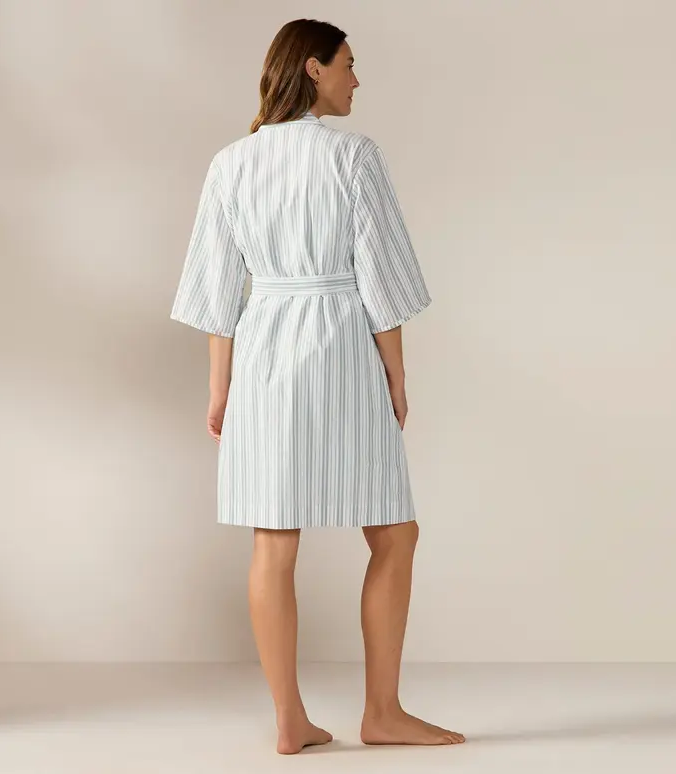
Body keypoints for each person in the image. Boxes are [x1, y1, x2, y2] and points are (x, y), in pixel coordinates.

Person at [170, 18, 464, 755]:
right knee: (393, 532)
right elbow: (381, 281)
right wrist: (397, 375)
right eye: (348, 64)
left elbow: (217, 292)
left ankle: (289, 721)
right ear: (313, 68)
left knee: (274, 541)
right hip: (340, 346)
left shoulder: (230, 164)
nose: (356, 80)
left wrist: (219, 389)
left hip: (263, 352)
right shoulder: (354, 157)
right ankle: (382, 712)